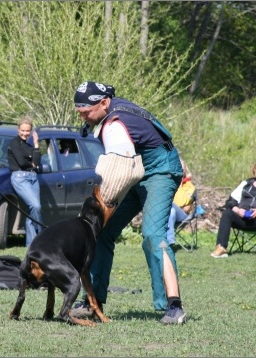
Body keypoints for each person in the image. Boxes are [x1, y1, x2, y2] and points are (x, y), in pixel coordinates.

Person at [72, 81, 186, 324]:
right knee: (101, 232)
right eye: (79, 111)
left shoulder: (115, 126)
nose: (83, 116)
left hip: (160, 171)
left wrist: (100, 201)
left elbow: (118, 170)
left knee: (153, 233)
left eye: (86, 112)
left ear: (103, 103)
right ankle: (93, 302)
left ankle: (174, 306)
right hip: (137, 168)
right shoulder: (108, 110)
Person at [211, 160, 256, 259]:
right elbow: (230, 201)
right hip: (243, 219)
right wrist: (237, 210)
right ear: (254, 171)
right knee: (227, 212)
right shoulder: (246, 184)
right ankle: (221, 247)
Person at [7, 115, 44, 247]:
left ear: (31, 131)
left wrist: (35, 145)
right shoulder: (14, 143)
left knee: (31, 210)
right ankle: (43, 235)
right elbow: (22, 163)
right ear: (18, 130)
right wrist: (32, 163)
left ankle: (32, 244)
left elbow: (37, 161)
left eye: (27, 131)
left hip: (33, 178)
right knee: (36, 206)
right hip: (20, 178)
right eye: (22, 130)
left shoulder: (28, 145)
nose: (25, 133)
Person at [166, 159, 196, 245]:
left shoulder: (190, 187)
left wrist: (178, 186)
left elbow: (181, 202)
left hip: (183, 215)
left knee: (168, 203)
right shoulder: (169, 183)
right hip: (170, 211)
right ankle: (170, 241)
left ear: (185, 171)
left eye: (181, 169)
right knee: (171, 211)